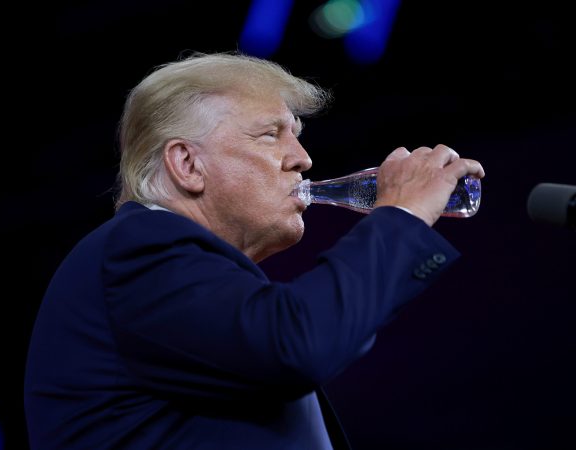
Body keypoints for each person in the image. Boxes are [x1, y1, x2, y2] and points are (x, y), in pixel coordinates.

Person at [24, 51, 485, 449]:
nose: (302, 158)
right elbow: (300, 343)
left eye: (296, 133)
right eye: (270, 134)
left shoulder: (180, 272)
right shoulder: (139, 246)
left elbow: (319, 335)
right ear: (187, 164)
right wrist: (401, 215)